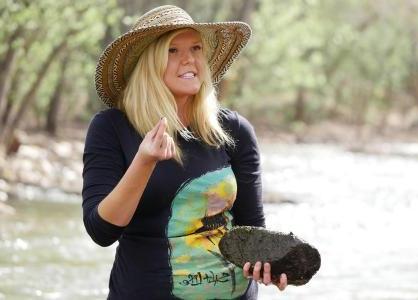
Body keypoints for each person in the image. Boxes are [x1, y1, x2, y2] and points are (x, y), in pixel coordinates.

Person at [82, 5, 286, 299]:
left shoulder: (235, 130)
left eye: (196, 48)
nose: (189, 59)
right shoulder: (112, 127)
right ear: (149, 63)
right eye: (172, 50)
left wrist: (273, 265)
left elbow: (251, 230)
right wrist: (144, 161)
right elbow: (101, 232)